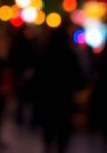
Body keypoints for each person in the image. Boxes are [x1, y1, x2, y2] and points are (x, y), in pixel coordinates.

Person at [32, 25, 85, 153]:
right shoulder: (70, 54)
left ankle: (48, 145)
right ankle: (61, 147)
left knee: (48, 123)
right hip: (65, 96)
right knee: (63, 125)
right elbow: (78, 76)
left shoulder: (45, 53)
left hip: (47, 95)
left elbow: (38, 75)